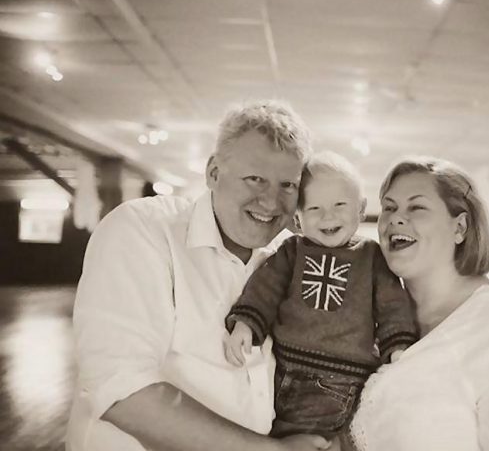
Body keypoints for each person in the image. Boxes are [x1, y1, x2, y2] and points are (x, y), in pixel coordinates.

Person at [66, 101, 339, 451]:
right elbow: (119, 388)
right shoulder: (143, 229)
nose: (271, 202)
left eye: (288, 185)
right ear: (213, 172)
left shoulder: (294, 257)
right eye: (255, 178)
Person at [345, 157, 489, 451]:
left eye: (416, 207)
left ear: (460, 227)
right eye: (389, 207)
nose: (395, 219)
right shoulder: (374, 315)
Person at [224, 151, 418, 439]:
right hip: (282, 368)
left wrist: (398, 348)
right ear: (298, 219)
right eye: (314, 208)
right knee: (268, 433)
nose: (328, 215)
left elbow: (392, 304)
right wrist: (246, 323)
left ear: (361, 209)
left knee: (308, 440)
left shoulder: (371, 256)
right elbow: (265, 287)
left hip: (339, 379)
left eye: (340, 204)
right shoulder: (292, 251)